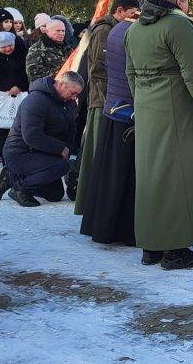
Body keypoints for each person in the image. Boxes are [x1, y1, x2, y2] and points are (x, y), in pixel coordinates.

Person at [125, 0, 193, 270]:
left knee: (151, 178)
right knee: (179, 178)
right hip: (177, 109)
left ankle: (152, 247)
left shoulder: (134, 29)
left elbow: (130, 74)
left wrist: (144, 105)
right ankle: (176, 251)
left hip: (148, 109)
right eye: (188, 0)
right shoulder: (178, 25)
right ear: (179, 1)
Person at [73, 0, 140, 209]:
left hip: (112, 100)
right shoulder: (104, 31)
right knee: (97, 152)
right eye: (131, 15)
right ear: (119, 11)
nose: (134, 19)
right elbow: (100, 69)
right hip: (103, 101)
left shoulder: (116, 29)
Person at [79, 15, 139, 246]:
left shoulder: (115, 31)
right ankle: (122, 230)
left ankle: (102, 227)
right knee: (122, 176)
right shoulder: (129, 33)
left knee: (109, 174)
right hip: (126, 111)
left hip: (113, 108)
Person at [0, 72, 83, 207]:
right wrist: (60, 149)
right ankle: (19, 188)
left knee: (55, 195)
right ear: (61, 84)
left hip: (42, 152)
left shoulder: (67, 103)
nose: (74, 97)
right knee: (61, 167)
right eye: (73, 93)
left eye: (77, 94)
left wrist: (68, 149)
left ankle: (12, 177)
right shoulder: (36, 100)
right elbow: (32, 136)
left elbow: (71, 130)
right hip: (20, 153)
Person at [0, 30, 29, 163]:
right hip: (0, 99)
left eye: (10, 45)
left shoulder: (23, 54)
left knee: (20, 130)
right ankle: (6, 161)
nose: (8, 49)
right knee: (2, 131)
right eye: (3, 47)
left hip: (21, 96)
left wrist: (20, 85)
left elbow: (29, 74)